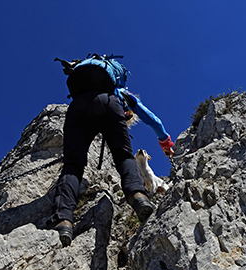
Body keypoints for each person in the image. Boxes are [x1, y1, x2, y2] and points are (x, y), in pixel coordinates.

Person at [48, 54, 174, 247]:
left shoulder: (88, 80)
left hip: (78, 107)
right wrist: (166, 144)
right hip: (108, 104)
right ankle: (138, 196)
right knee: (124, 156)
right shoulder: (122, 94)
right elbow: (153, 120)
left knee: (72, 166)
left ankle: (63, 220)